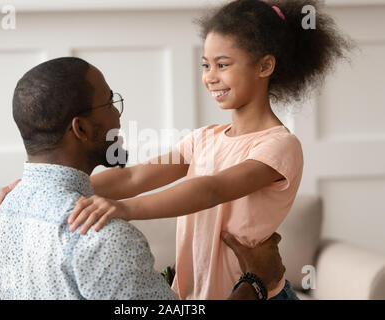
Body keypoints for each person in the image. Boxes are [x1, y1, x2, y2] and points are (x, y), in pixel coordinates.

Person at [59, 0, 353, 300]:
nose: (210, 76)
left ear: (265, 66)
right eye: (206, 65)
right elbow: (134, 177)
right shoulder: (204, 138)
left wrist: (126, 209)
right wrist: (56, 183)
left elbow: (211, 189)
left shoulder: (279, 145)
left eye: (222, 64)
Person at [0, 57, 285, 300]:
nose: (118, 115)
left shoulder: (0, 218)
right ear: (81, 129)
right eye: (109, 102)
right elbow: (207, 188)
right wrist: (256, 283)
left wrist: (33, 185)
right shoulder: (105, 237)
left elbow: (132, 178)